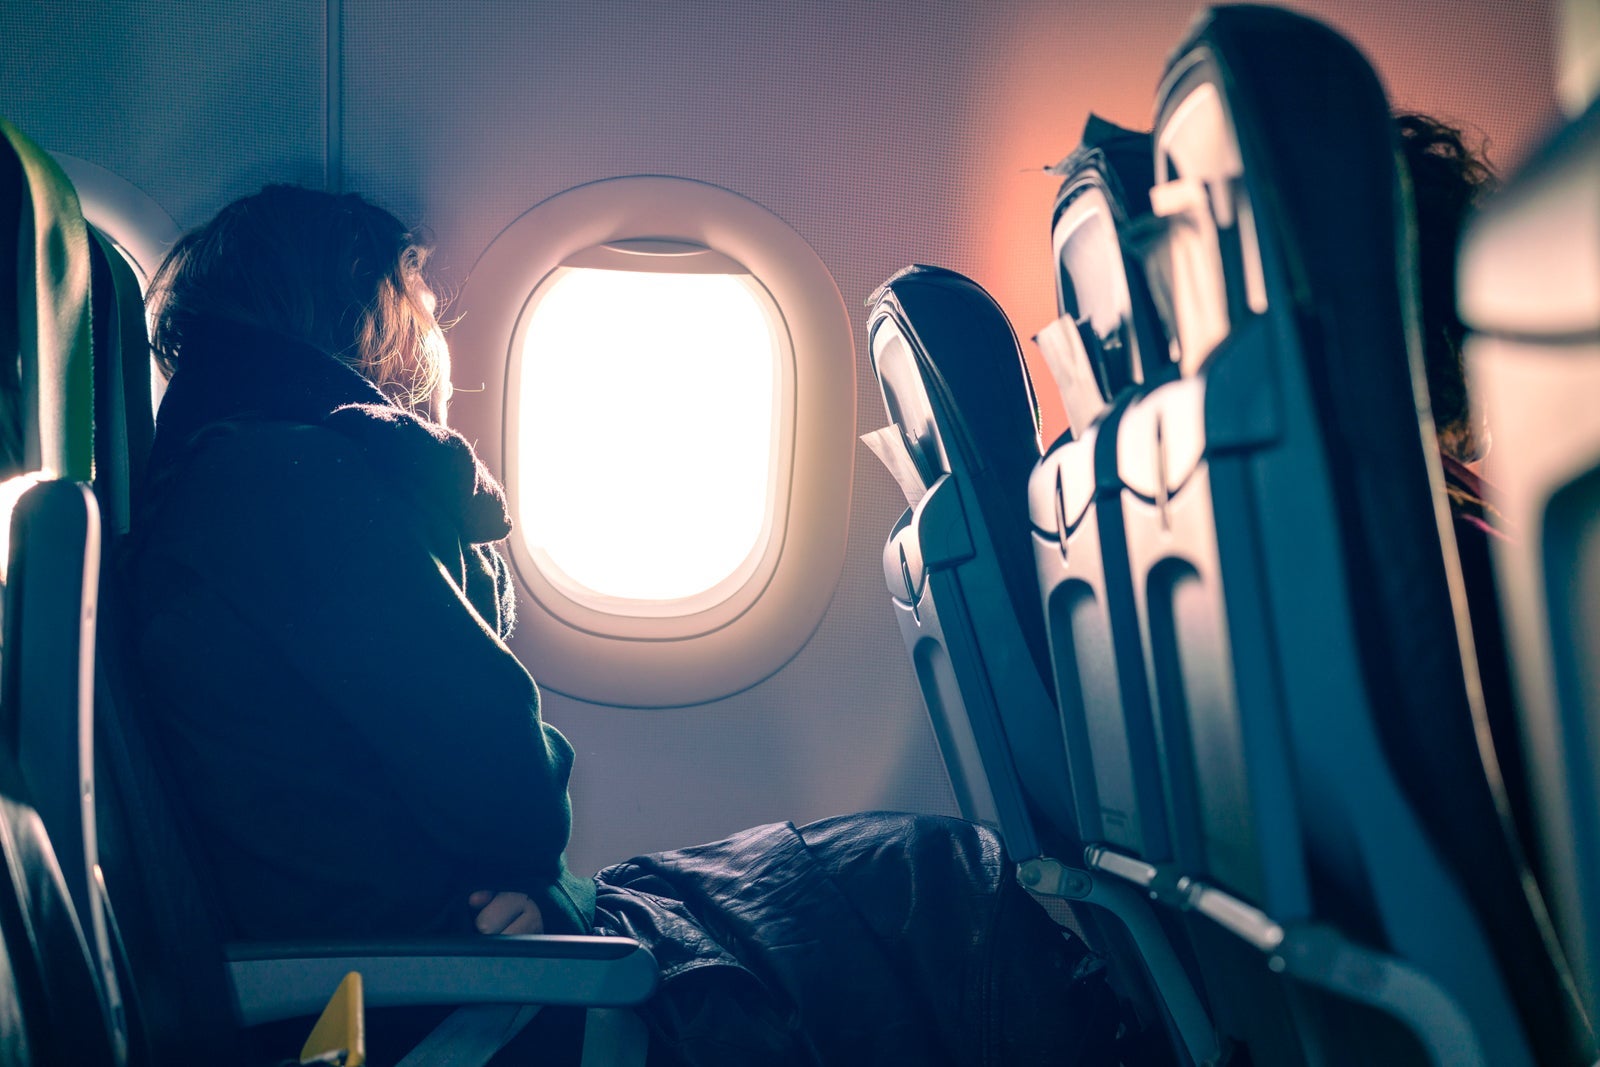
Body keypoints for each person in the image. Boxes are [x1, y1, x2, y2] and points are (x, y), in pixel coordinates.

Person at [128, 185, 1119, 1065]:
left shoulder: (235, 482)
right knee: (926, 884)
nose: (435, 340)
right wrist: (542, 893)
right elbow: (511, 789)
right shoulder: (296, 488)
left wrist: (539, 891)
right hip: (448, 995)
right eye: (421, 305)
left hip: (450, 954)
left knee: (901, 863)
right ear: (361, 310)